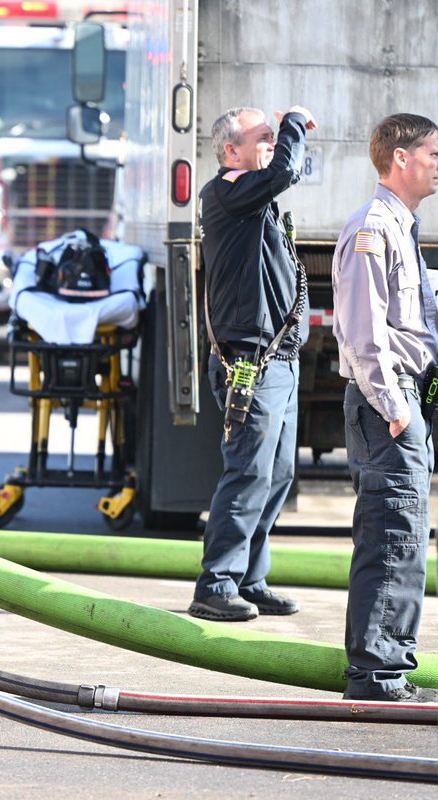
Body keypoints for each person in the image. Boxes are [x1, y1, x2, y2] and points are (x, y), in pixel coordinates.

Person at [332, 113, 438, 702]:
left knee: (404, 535)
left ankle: (389, 666)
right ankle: (376, 674)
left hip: (402, 404)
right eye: (433, 152)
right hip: (388, 406)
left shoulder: (402, 228)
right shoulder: (372, 230)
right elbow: (362, 332)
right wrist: (397, 411)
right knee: (391, 536)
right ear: (400, 158)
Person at [188, 105, 315, 623]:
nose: (271, 143)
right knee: (248, 474)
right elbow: (285, 169)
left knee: (278, 474)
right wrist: (294, 122)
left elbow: (284, 171)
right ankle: (215, 584)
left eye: (272, 137)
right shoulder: (225, 193)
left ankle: (248, 578)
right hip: (250, 362)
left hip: (279, 358)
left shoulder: (253, 198)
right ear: (230, 151)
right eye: (261, 137)